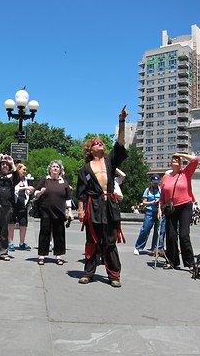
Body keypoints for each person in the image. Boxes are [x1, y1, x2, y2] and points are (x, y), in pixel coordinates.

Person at [76, 107, 128, 288]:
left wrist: (121, 121)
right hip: (93, 206)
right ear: (89, 149)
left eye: (101, 142)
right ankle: (88, 273)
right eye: (95, 143)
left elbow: (120, 142)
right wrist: (81, 211)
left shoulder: (110, 161)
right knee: (92, 241)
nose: (99, 144)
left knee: (110, 241)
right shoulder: (85, 168)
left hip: (110, 205)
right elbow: (81, 192)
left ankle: (114, 275)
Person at [159, 153, 199, 272]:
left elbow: (196, 159)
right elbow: (163, 194)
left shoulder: (186, 173)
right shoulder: (166, 176)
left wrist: (180, 154)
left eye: (178, 159)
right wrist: (159, 208)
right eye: (173, 159)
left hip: (185, 206)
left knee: (183, 235)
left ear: (181, 163)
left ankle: (190, 263)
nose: (175, 160)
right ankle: (172, 261)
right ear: (170, 163)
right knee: (170, 236)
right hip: (170, 208)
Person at [35, 160, 74, 266]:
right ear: (50, 169)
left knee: (59, 234)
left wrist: (69, 211)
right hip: (46, 211)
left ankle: (58, 256)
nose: (55, 168)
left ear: (60, 170)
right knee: (44, 233)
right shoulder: (44, 180)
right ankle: (42, 255)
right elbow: (35, 193)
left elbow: (68, 198)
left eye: (57, 167)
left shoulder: (64, 182)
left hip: (59, 212)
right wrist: (40, 192)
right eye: (53, 166)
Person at [133, 174, 166, 256]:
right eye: (154, 182)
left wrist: (160, 204)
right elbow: (144, 202)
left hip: (160, 211)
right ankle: (138, 247)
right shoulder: (148, 190)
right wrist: (152, 202)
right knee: (145, 229)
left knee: (158, 231)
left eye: (157, 182)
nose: (155, 183)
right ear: (151, 182)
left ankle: (155, 248)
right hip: (150, 212)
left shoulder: (161, 190)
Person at [8, 163, 35, 251]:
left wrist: (29, 191)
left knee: (23, 224)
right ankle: (10, 242)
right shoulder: (13, 178)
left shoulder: (25, 180)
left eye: (25, 170)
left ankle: (22, 243)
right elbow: (15, 189)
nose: (25, 171)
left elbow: (26, 191)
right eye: (23, 169)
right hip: (13, 203)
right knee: (11, 223)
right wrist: (26, 188)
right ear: (18, 169)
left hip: (23, 204)